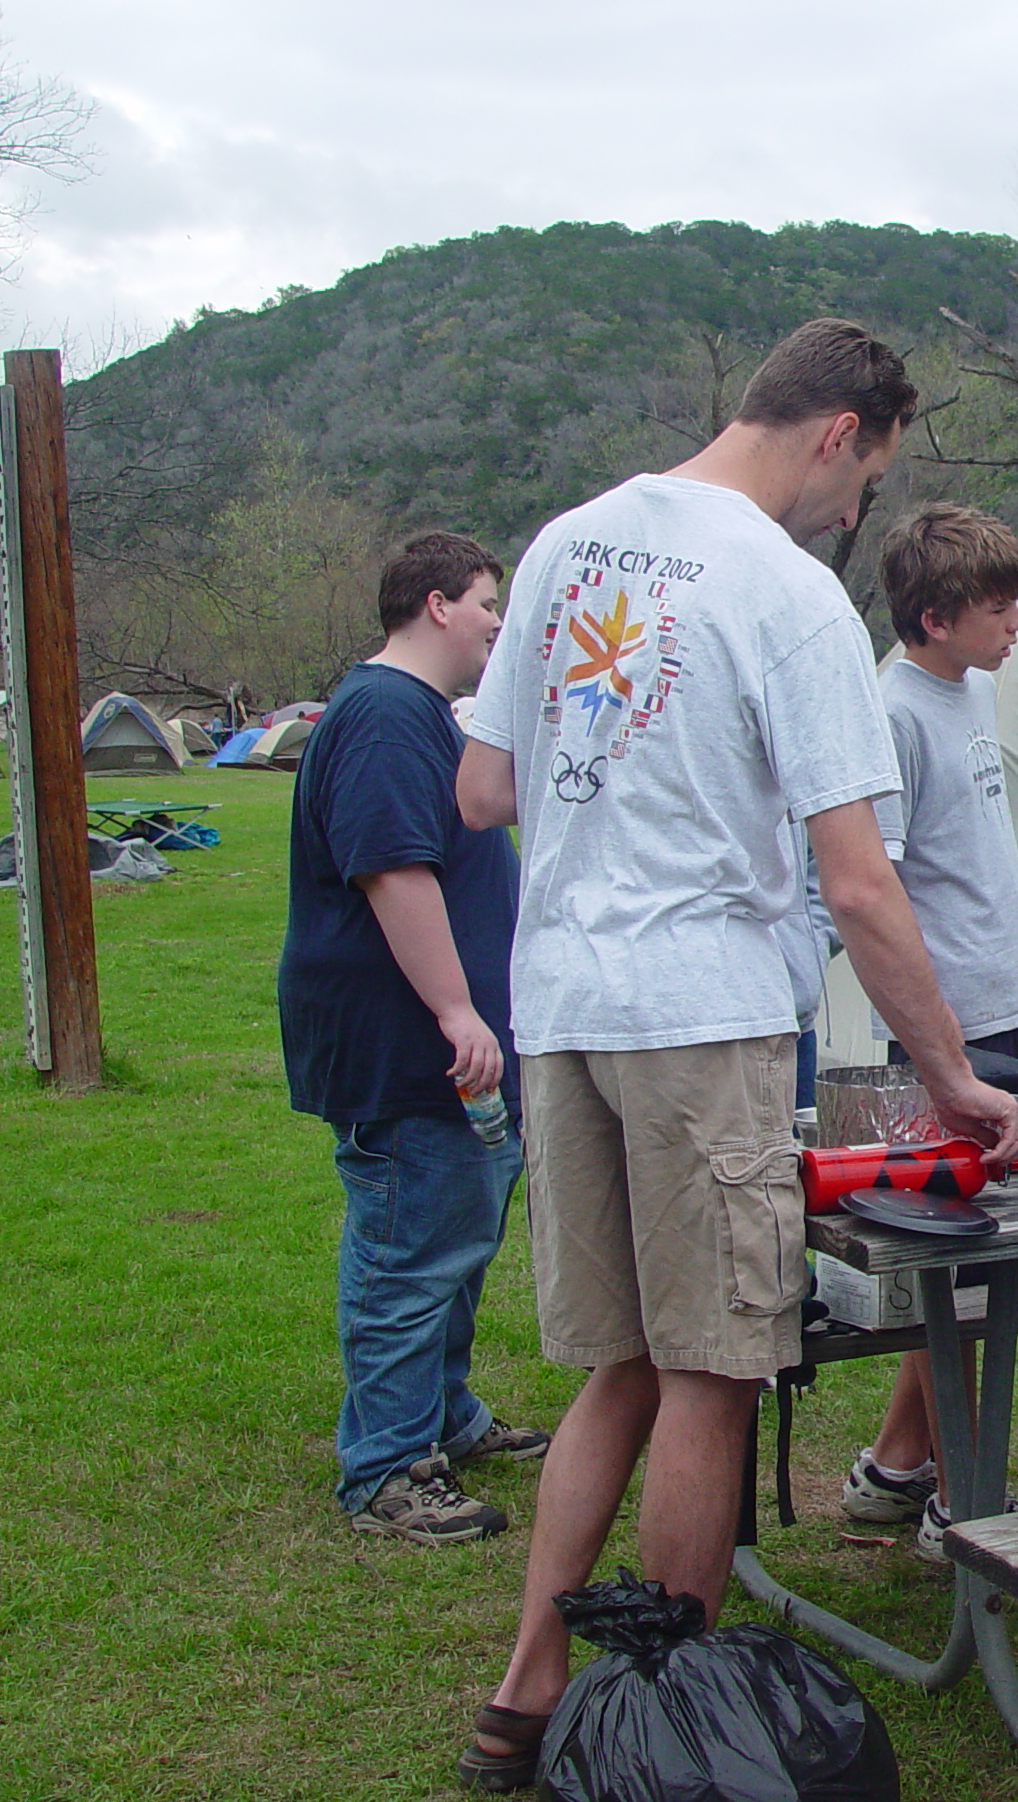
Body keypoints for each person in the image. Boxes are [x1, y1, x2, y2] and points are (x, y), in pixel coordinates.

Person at [452, 318, 1018, 1792]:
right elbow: (857, 879)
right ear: (841, 432)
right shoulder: (784, 590)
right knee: (713, 1370)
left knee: (621, 1366)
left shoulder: (567, 542)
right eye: (867, 483)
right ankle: (681, 1736)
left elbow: (484, 787)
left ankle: (525, 1694)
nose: (857, 517)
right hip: (700, 1012)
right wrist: (952, 1073)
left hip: (563, 1007)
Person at [279, 530, 550, 1545]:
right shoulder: (389, 714)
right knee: (408, 1249)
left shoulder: (419, 715)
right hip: (409, 1045)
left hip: (454, 1046)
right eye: (487, 601)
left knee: (455, 1235)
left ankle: (444, 1415)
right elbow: (393, 870)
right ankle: (388, 1466)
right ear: (436, 604)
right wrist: (455, 1009)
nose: (496, 621)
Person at [836, 502, 1018, 1562]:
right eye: (997, 608)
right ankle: (958, 1506)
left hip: (1009, 1005)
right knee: (959, 1268)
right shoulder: (892, 711)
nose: (1017, 625)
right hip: (946, 1035)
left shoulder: (972, 687)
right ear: (930, 617)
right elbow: (884, 887)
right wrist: (937, 1047)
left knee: (983, 1266)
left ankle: (897, 1471)